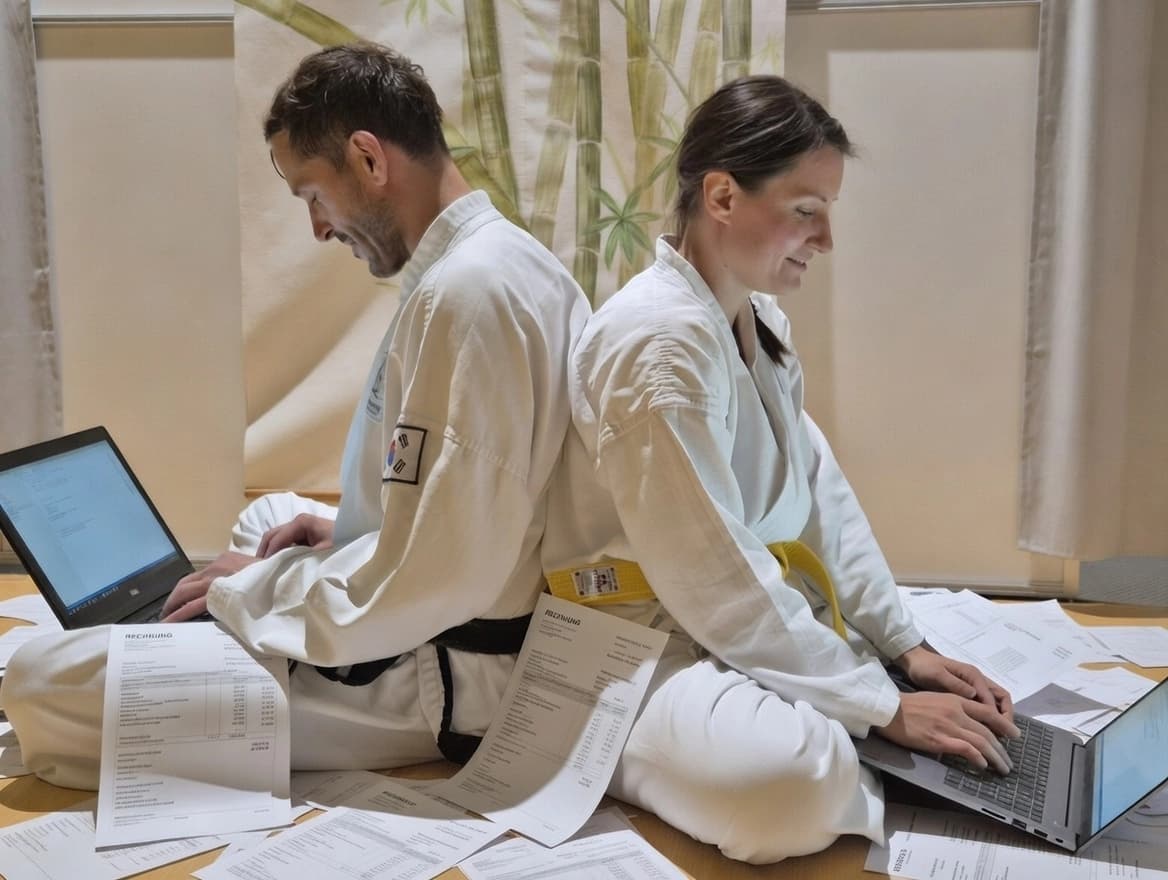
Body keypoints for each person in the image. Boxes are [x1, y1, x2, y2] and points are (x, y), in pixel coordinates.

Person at [2, 42, 589, 789]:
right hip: (437, 613)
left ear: (369, 160)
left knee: (41, 678)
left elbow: (438, 580)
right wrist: (340, 534)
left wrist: (244, 594)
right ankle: (248, 587)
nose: (318, 228)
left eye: (314, 195)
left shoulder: (467, 294)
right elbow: (459, 497)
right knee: (274, 519)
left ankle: (208, 624)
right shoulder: (500, 261)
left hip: (442, 677)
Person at [540, 75, 1019, 864]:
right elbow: (710, 573)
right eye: (806, 211)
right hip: (641, 642)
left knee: (877, 702)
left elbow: (816, 489)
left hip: (727, 621)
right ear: (722, 196)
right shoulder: (656, 345)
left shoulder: (752, 320)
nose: (825, 241)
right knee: (789, 787)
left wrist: (902, 646)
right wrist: (878, 706)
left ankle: (843, 705)